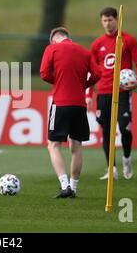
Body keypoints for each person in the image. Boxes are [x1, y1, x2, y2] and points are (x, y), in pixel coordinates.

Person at [40, 27, 101, 198]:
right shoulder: (84, 51)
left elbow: (44, 73)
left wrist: (59, 81)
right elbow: (97, 74)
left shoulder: (51, 49)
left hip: (60, 103)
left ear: (54, 40)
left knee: (53, 145)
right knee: (76, 147)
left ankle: (65, 185)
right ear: (69, 38)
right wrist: (83, 84)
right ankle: (73, 188)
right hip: (80, 105)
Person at [86, 7, 137, 180]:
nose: (107, 23)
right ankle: (111, 169)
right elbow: (91, 71)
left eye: (110, 20)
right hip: (103, 92)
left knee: (124, 127)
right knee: (106, 131)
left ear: (116, 20)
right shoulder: (97, 44)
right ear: (101, 21)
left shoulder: (128, 40)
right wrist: (88, 94)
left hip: (122, 92)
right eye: (104, 20)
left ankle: (127, 158)